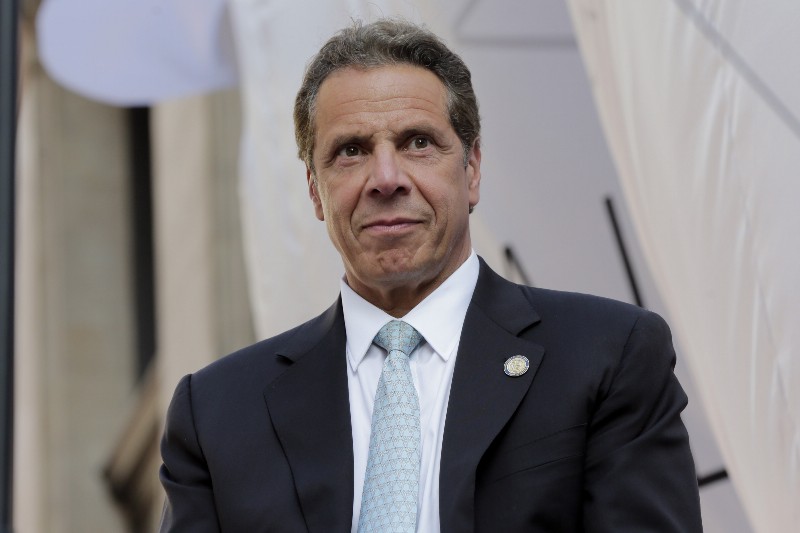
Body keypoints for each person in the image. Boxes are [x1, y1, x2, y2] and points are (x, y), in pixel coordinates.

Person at [158, 18, 703, 532]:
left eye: (418, 142)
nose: (386, 178)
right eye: (351, 151)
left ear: (471, 170)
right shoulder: (217, 414)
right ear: (313, 191)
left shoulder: (606, 355)